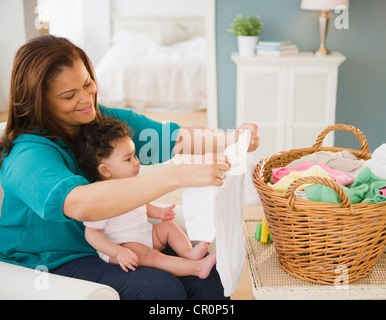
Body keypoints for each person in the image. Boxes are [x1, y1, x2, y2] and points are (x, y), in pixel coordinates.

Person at [0, 34, 259, 300]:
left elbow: (167, 137)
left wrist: (233, 138)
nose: (86, 98)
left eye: (87, 83)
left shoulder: (100, 122)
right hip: (50, 259)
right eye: (69, 95)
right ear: (39, 101)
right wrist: (179, 176)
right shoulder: (27, 156)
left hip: (111, 241)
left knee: (211, 281)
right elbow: (80, 204)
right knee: (160, 291)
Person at [74, 116, 216, 278]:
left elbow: (142, 205)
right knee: (153, 257)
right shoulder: (99, 196)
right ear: (105, 170)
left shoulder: (131, 184)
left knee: (167, 227)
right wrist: (118, 252)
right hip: (125, 245)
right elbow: (92, 233)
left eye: (135, 155)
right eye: (127, 159)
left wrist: (159, 213)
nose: (136, 162)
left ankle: (189, 252)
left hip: (146, 235)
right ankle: (196, 268)